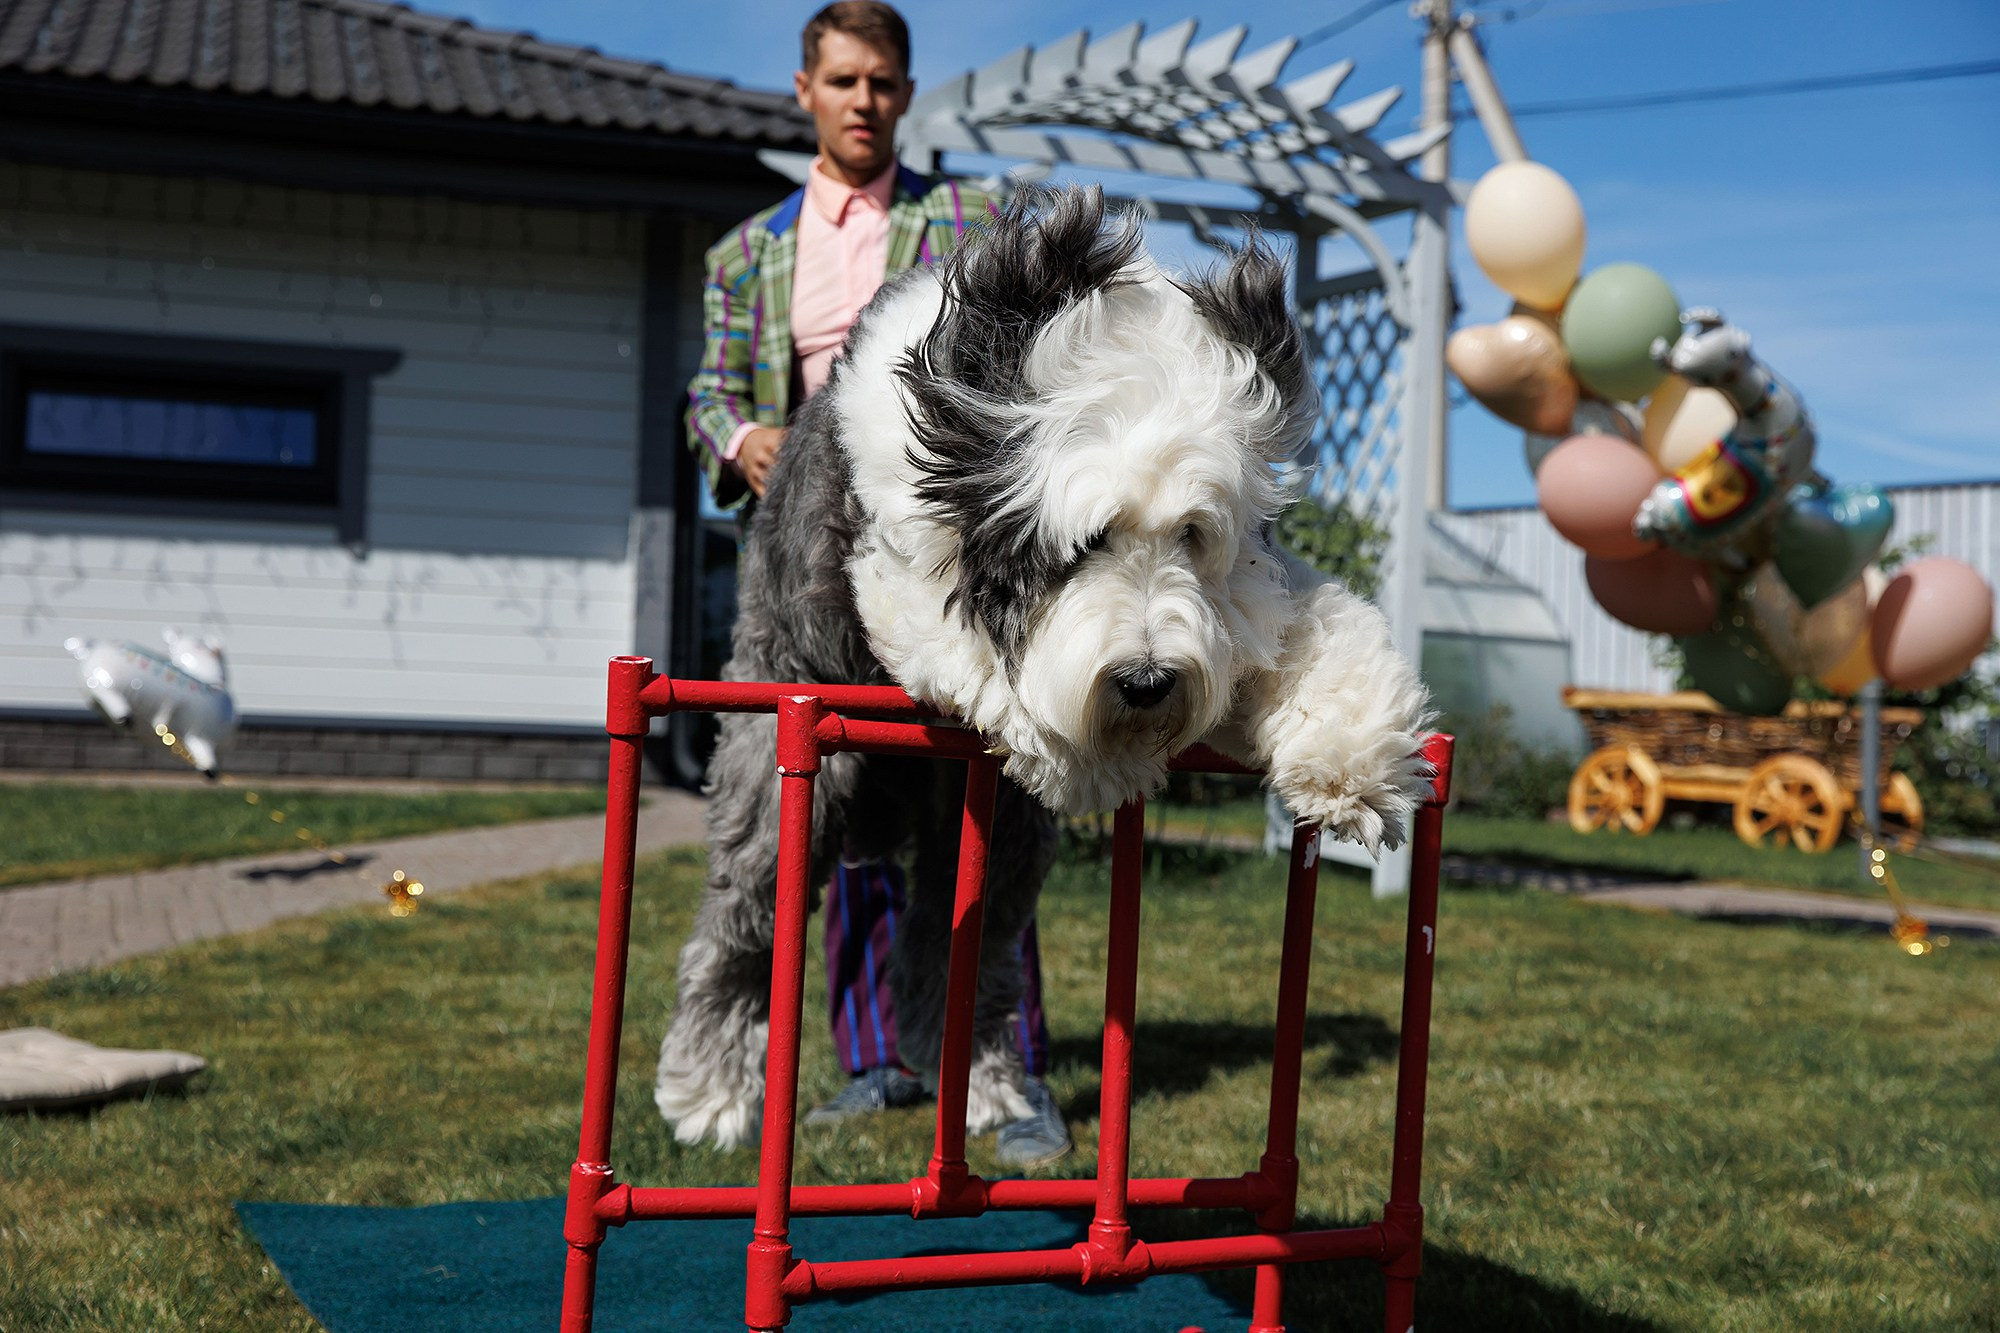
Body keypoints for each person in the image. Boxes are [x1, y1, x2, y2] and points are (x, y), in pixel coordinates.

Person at [683, 1, 1069, 1167]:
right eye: (844, 81)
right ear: (806, 91)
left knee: (990, 795)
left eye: (884, 83)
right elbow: (707, 387)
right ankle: (872, 1062)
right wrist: (738, 437)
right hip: (802, 575)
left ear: (906, 96)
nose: (864, 101)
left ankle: (1000, 1061)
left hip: (938, 560)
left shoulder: (964, 219)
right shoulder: (744, 253)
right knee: (823, 806)